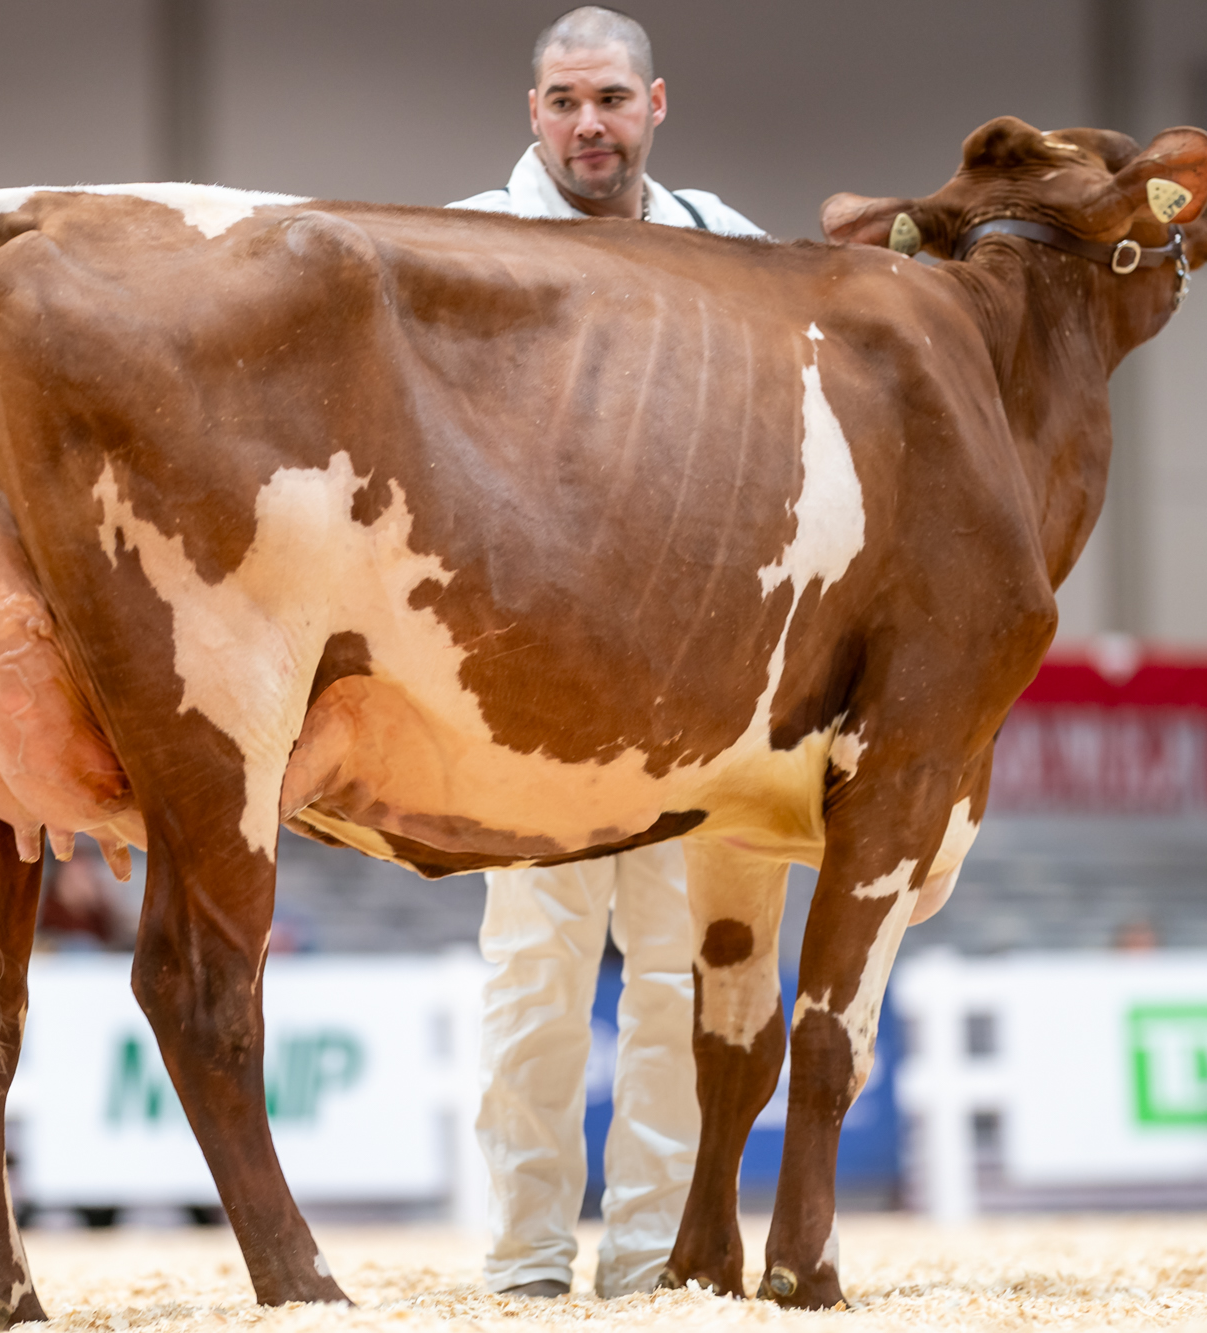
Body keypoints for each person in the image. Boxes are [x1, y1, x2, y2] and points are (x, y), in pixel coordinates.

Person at [446, 7, 764, 1300]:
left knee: (681, 983)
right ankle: (524, 1260)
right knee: (536, 977)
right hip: (535, 681)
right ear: (532, 111)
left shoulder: (729, 246)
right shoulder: (467, 242)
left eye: (612, 100)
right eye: (566, 101)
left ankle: (649, 1266)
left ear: (655, 104)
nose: (590, 124)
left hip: (696, 681)